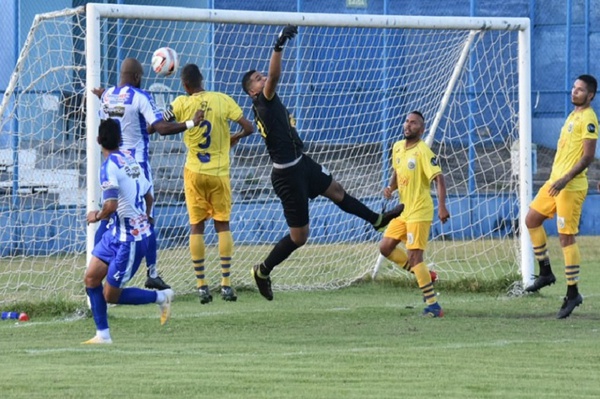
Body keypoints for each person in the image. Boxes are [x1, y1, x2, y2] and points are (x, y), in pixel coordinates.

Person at [241, 26, 404, 301]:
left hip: (301, 164)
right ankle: (263, 270)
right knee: (300, 237)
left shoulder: (267, 100)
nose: (264, 78)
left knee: (337, 191)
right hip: (287, 176)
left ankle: (376, 220)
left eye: (262, 76)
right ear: (252, 91)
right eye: (258, 79)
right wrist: (278, 45)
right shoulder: (263, 102)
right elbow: (276, 76)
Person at [151, 63, 253, 304]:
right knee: (222, 225)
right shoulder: (222, 99)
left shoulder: (180, 103)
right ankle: (226, 284)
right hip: (219, 173)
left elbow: (159, 125)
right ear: (203, 80)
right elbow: (248, 127)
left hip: (194, 172)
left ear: (185, 85)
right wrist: (233, 138)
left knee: (196, 226)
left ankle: (201, 286)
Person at [93, 58, 187, 291]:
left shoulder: (107, 97)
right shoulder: (141, 96)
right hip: (136, 167)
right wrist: (192, 122)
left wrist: (100, 93)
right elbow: (162, 128)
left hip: (113, 162)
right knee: (146, 220)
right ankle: (152, 273)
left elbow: (113, 102)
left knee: (109, 216)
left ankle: (94, 264)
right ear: (137, 77)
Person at [83, 118, 174, 344]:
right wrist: (147, 216)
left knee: (110, 295)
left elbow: (111, 205)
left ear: (97, 141)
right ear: (120, 139)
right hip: (116, 234)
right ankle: (102, 335)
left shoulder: (108, 167)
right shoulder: (130, 159)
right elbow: (149, 195)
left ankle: (161, 296)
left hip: (130, 241)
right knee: (91, 279)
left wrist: (95, 216)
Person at [524, 74, 598, 319]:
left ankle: (573, 293)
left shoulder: (589, 119)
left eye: (580, 90)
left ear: (591, 95)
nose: (574, 92)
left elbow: (588, 156)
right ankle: (546, 272)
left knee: (566, 238)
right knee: (531, 220)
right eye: (574, 88)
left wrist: (565, 179)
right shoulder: (573, 115)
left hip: (569, 186)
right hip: (554, 182)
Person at [379, 111, 449, 317]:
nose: (409, 125)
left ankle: (433, 306)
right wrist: (390, 188)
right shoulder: (397, 147)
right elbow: (397, 170)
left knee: (415, 256)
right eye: (407, 121)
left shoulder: (423, 152)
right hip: (404, 211)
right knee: (385, 247)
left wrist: (442, 206)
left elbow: (439, 179)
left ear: (422, 129)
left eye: (414, 123)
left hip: (419, 211)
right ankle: (427, 275)